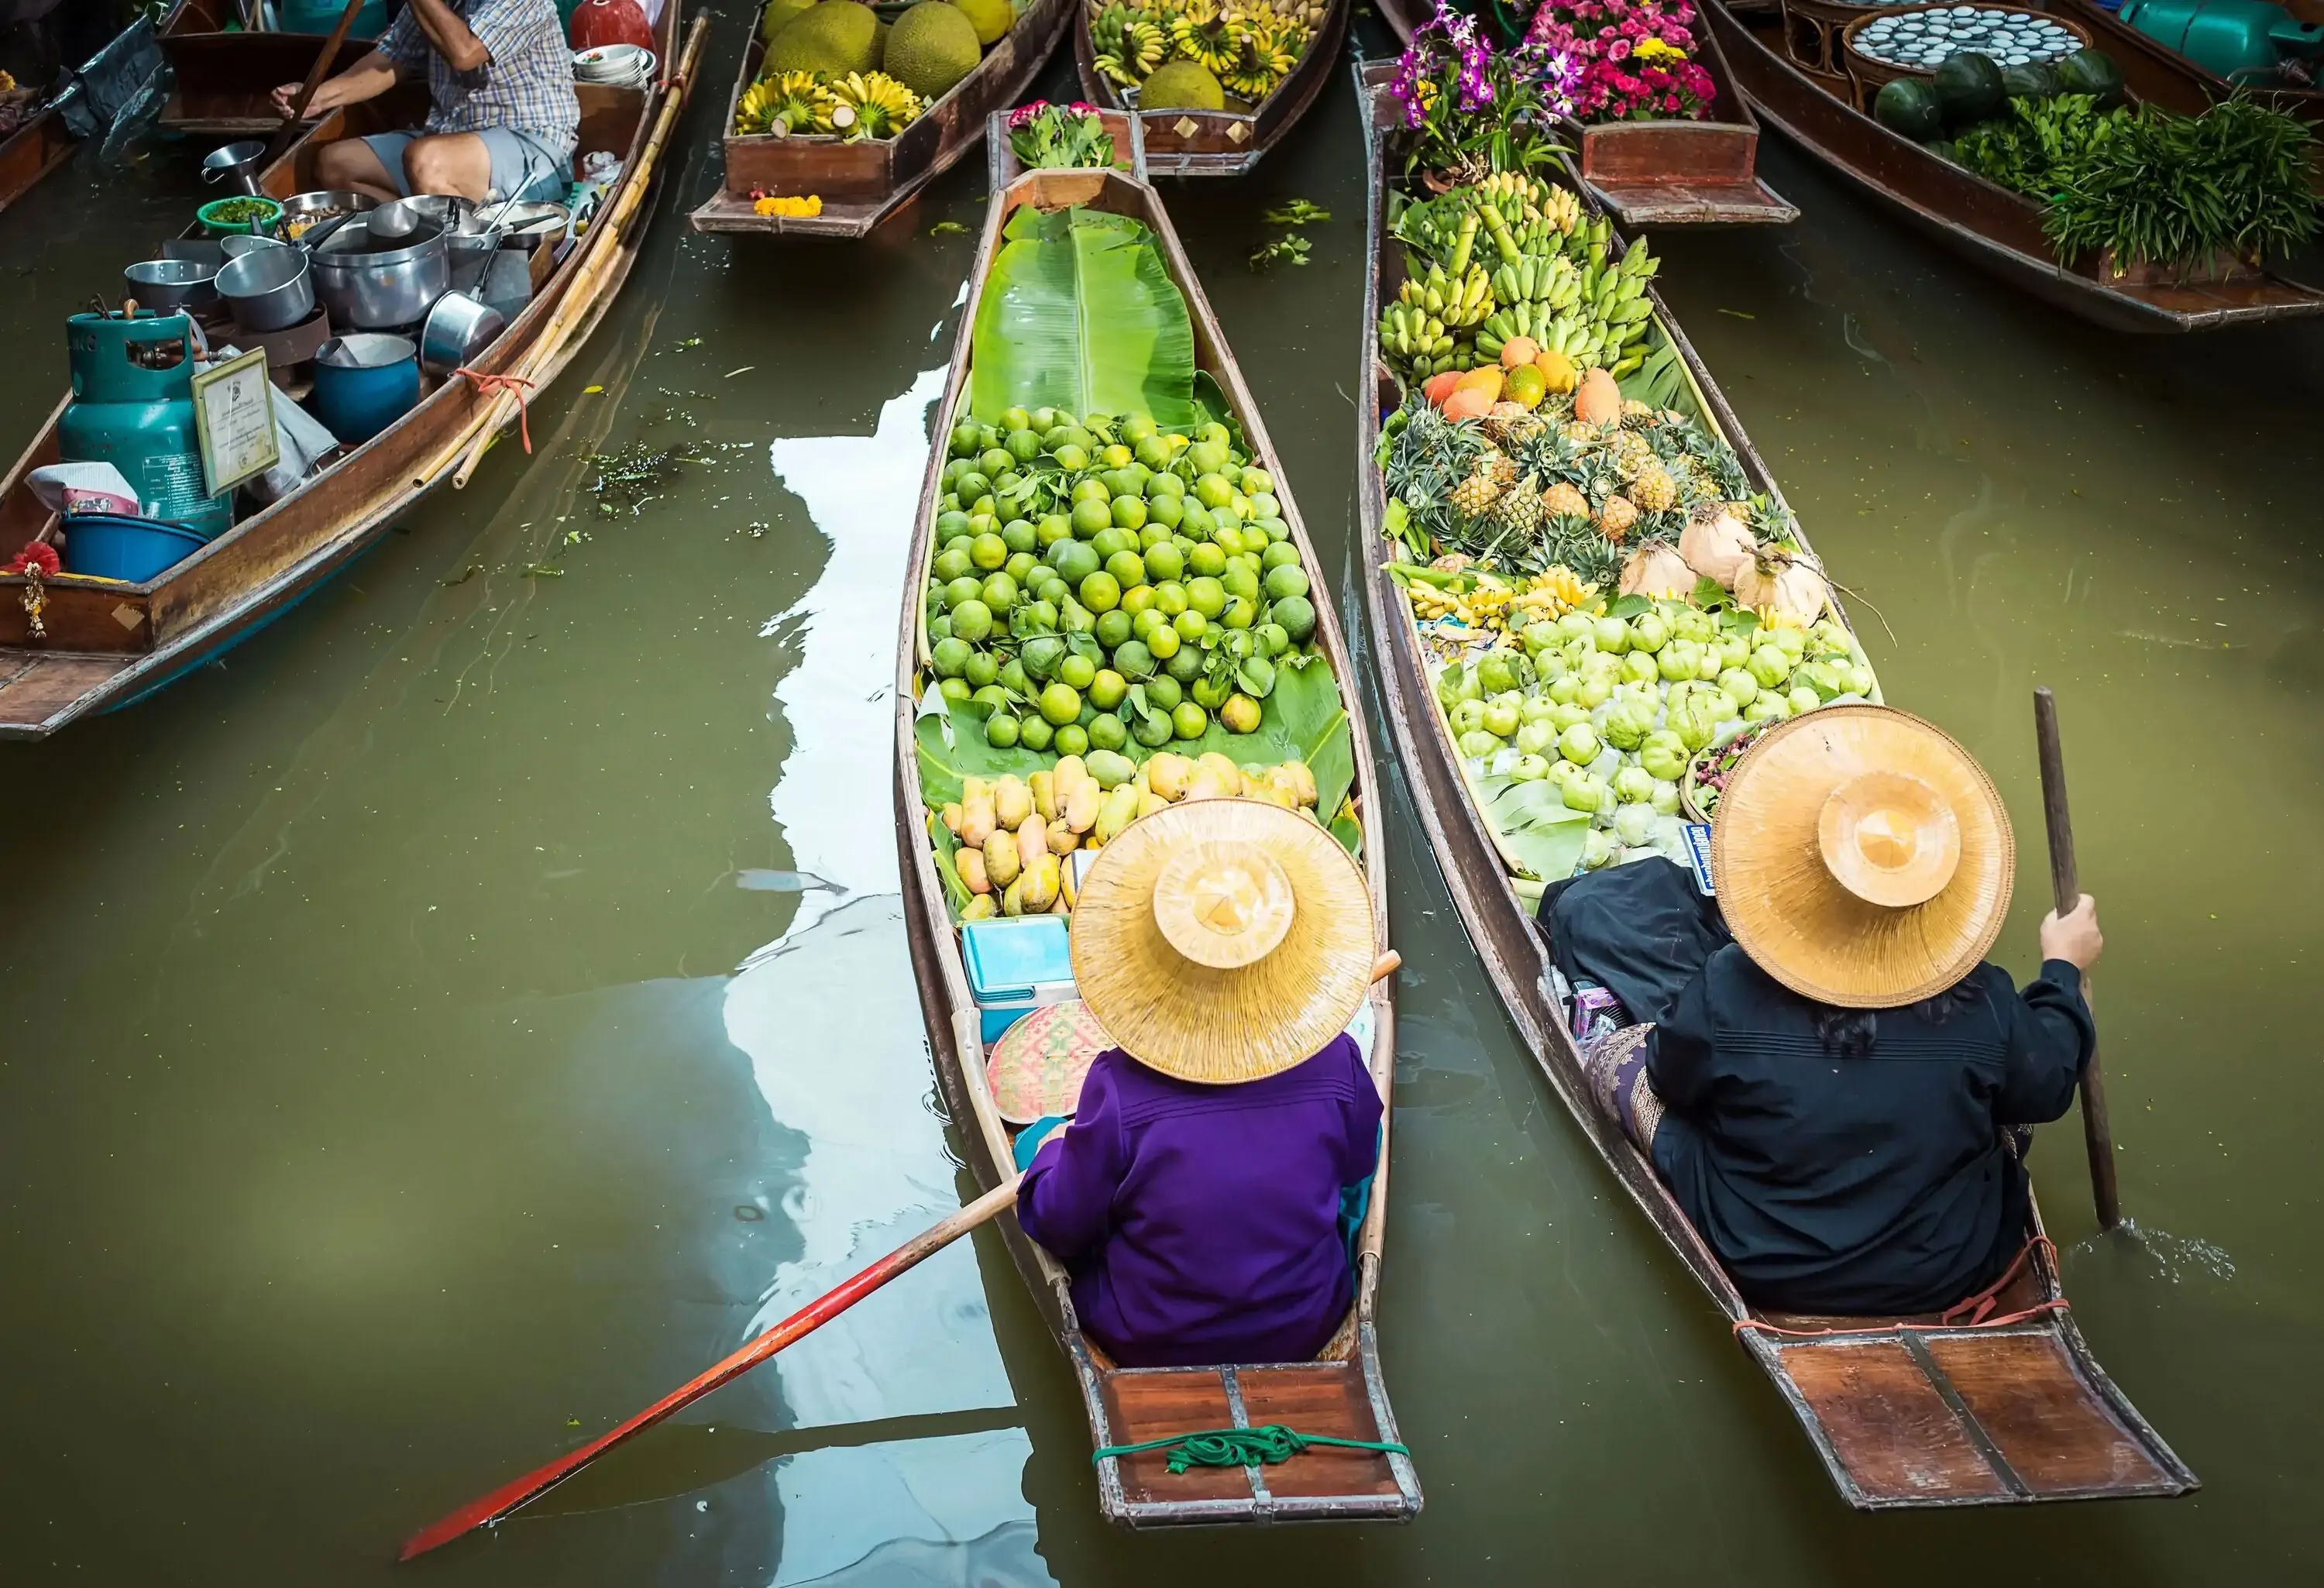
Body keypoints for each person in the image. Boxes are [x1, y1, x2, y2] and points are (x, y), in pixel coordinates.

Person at [1546, 704, 2101, 1317]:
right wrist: (2062, 969)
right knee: (2011, 1086)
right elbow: (2049, 1088)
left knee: (1620, 1056)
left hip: (1757, 1255)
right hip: (1948, 1266)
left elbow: (1670, 1079)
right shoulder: (1985, 998)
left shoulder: (1731, 983)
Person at [1011, 798, 1385, 1370]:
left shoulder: (1116, 1089)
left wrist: (1049, 1155)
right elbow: (1359, 1164)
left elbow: (1058, 1226)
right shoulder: (1339, 1061)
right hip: (1304, 1321)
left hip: (1147, 1335)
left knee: (1038, 1147)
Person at [273, 0, 578, 206]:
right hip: (450, 142)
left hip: (532, 148)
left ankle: (462, 255)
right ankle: (430, 232)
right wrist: (316, 98)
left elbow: (465, 54)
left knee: (426, 160)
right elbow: (391, 58)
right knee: (336, 165)